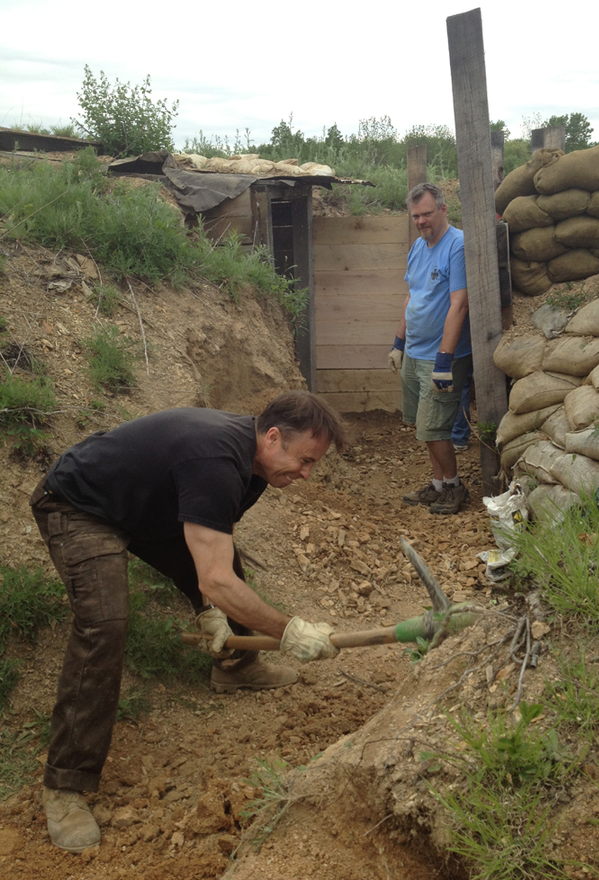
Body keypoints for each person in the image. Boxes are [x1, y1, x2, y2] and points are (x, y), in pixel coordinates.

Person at [30, 391, 348, 853]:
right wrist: (288, 631)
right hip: (80, 504)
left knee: (227, 564)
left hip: (143, 507)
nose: (306, 473)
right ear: (274, 436)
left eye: (313, 464)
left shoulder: (255, 466)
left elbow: (207, 547)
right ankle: (64, 786)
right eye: (304, 460)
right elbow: (215, 581)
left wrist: (209, 608)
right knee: (105, 622)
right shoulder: (215, 460)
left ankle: (236, 667)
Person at [388, 182, 472, 515]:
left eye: (426, 214)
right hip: (415, 352)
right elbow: (412, 297)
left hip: (441, 356)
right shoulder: (418, 248)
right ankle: (437, 486)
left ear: (442, 209)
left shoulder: (457, 245)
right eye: (415, 216)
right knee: (425, 428)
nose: (421, 221)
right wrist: (398, 343)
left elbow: (460, 304)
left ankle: (454, 486)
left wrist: (444, 360)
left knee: (435, 428)